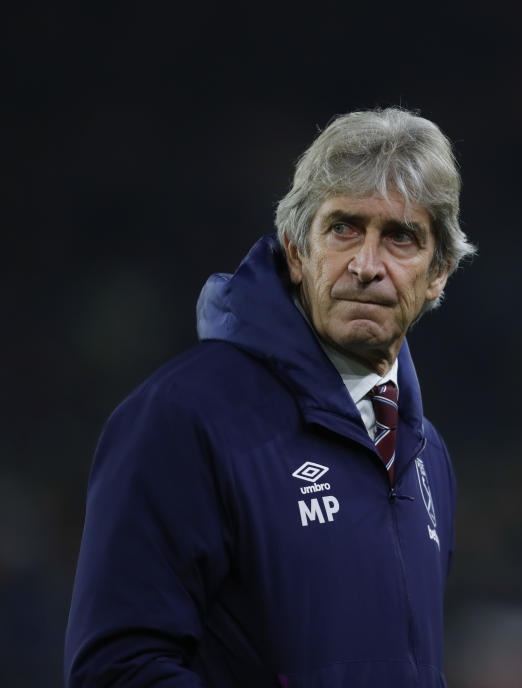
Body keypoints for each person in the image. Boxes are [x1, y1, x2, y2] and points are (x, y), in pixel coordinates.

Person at [64, 108, 476, 687]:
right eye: (343, 229)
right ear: (295, 251)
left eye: (400, 238)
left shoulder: (427, 455)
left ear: (439, 273)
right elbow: (118, 670)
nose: (366, 265)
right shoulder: (184, 417)